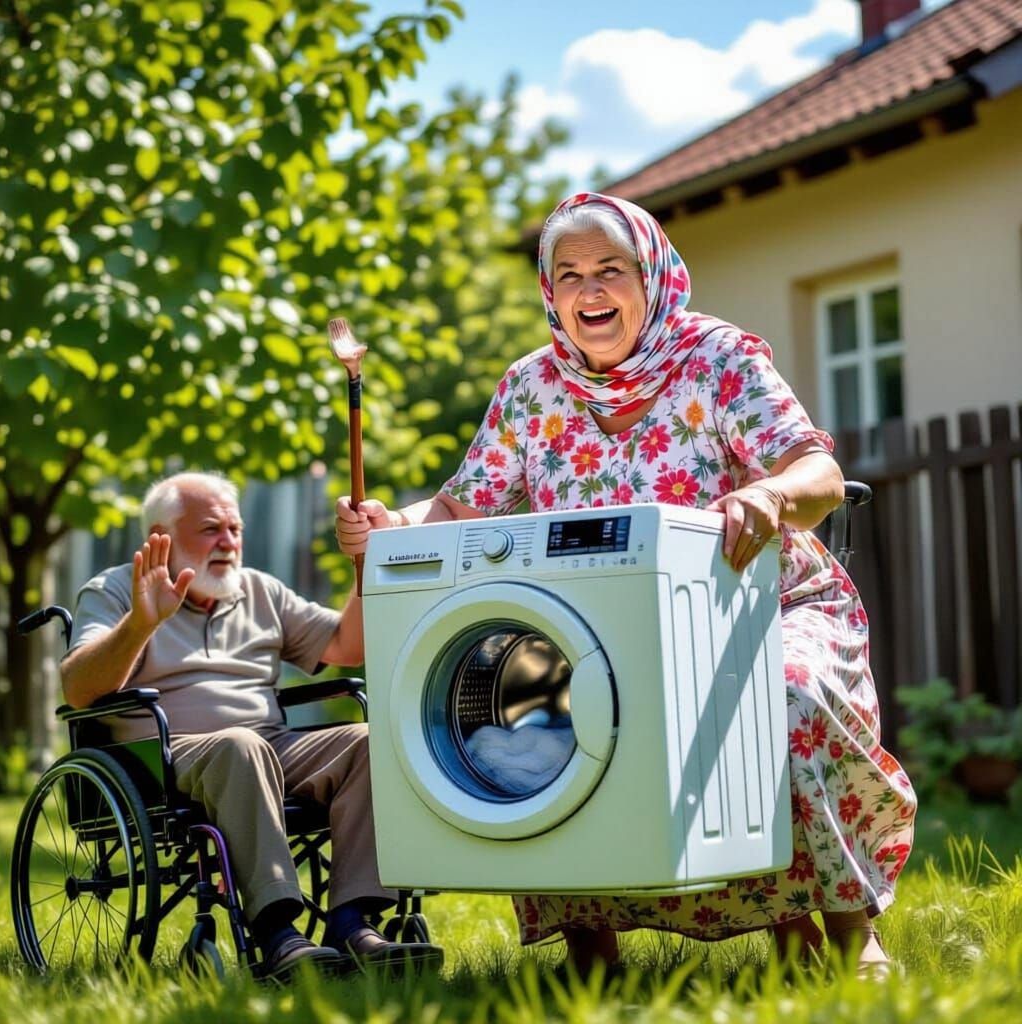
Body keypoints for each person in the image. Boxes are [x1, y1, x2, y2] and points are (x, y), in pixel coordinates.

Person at [335, 192, 917, 978]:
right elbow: (457, 505)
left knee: (789, 692)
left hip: (762, 606)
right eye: (568, 274)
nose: (589, 290)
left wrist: (771, 495)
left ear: (650, 275)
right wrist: (393, 527)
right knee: (529, 714)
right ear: (550, 293)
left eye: (609, 269)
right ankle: (589, 944)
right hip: (600, 622)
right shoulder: (530, 388)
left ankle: (846, 928)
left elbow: (817, 471)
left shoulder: (717, 357)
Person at [62, 471, 443, 982]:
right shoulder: (113, 590)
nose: (229, 542)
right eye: (211, 529)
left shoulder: (259, 591)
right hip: (161, 757)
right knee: (242, 747)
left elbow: (346, 648)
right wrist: (141, 624)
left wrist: (367, 566)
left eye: (235, 529)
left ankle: (354, 924)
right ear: (162, 538)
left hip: (268, 746)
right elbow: (78, 689)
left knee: (370, 741)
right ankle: (279, 932)